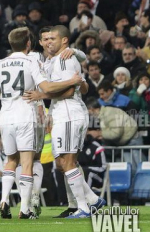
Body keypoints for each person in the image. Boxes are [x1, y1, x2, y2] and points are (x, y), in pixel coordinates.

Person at [0, 27, 83, 219]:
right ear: (29, 43)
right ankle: (25, 209)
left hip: (6, 117)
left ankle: (4, 199)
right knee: (28, 162)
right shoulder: (31, 61)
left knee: (10, 160)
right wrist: (71, 81)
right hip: (26, 116)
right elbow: (46, 87)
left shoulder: (1, 63)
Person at [45, 25, 105, 218]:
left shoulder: (65, 59)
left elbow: (70, 90)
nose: (49, 42)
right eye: (46, 39)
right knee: (63, 163)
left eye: (53, 38)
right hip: (66, 113)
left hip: (69, 113)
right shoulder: (61, 59)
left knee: (67, 162)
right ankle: (93, 200)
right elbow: (82, 86)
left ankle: (83, 207)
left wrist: (42, 92)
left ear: (64, 40)